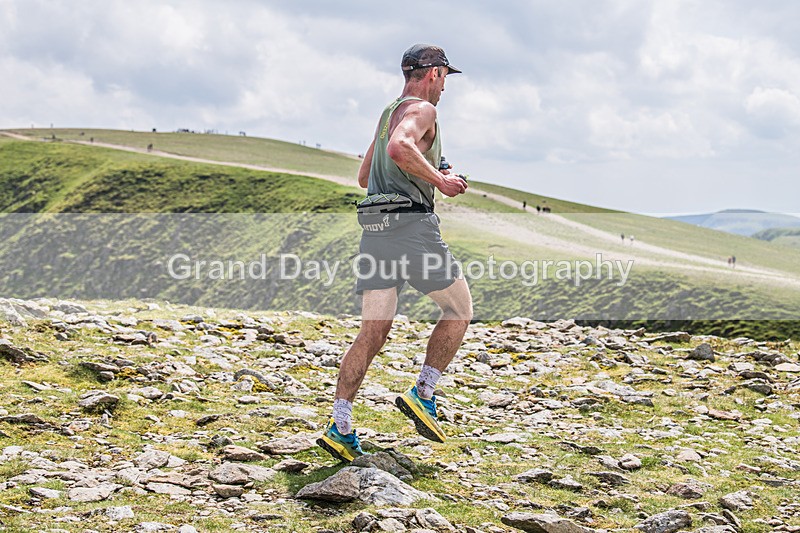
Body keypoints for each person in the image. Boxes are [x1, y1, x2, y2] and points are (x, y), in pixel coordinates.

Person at [317, 44, 473, 462]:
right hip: (411, 229)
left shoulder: (388, 114)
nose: (444, 89)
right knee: (459, 310)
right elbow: (399, 150)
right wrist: (440, 183)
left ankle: (340, 424)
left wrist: (428, 170)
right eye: (445, 78)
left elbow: (366, 174)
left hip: (376, 231)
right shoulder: (423, 110)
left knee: (373, 333)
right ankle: (423, 391)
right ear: (434, 74)